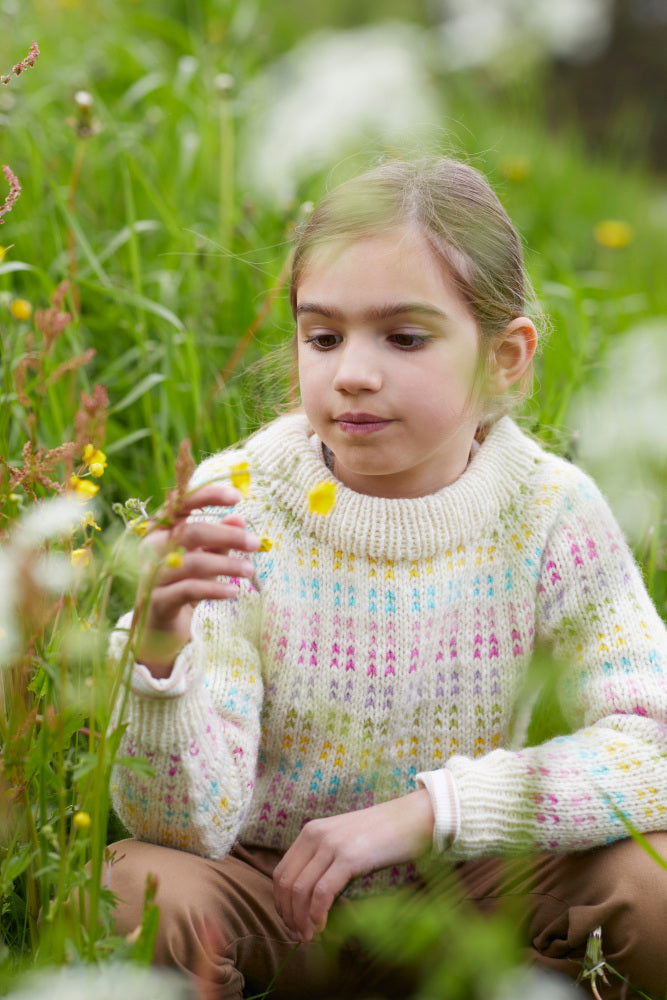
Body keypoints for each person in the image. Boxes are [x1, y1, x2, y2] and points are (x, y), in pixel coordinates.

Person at [106, 158, 667, 1000]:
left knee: (649, 884)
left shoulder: (549, 509)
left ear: (504, 359)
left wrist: (430, 813)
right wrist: (157, 664)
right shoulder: (237, 506)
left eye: (403, 338)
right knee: (133, 891)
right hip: (273, 899)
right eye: (322, 336)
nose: (351, 373)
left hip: (468, 895)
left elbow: (651, 741)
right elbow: (182, 826)